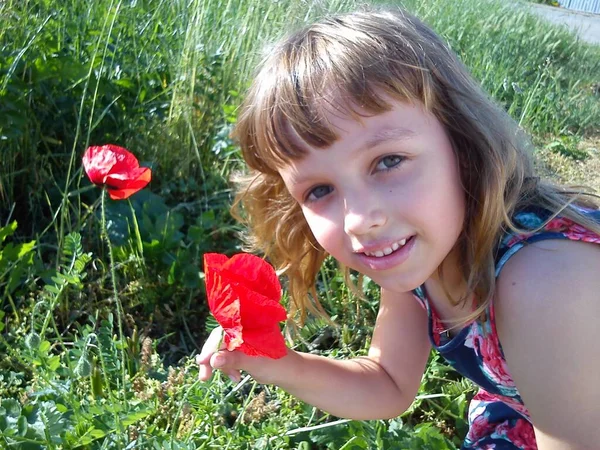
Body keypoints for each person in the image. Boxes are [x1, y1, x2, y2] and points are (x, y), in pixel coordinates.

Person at [196, 7, 600, 449]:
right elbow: (388, 382)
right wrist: (278, 362)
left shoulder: (549, 283)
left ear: (461, 140)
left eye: (388, 162)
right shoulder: (420, 256)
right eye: (318, 190)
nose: (359, 219)